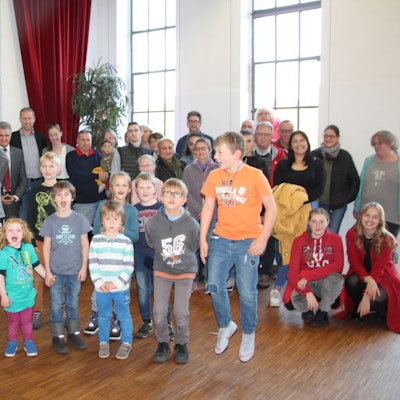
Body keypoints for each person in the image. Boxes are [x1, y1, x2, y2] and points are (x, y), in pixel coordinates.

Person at [200, 131, 277, 363]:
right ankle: (226, 325)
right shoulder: (214, 175)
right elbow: (208, 209)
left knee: (247, 292)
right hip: (221, 239)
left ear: (236, 154)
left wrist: (263, 238)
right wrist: (203, 239)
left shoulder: (255, 175)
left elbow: (271, 208)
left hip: (247, 241)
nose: (215, 156)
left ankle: (248, 332)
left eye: (219, 152)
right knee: (214, 285)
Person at [269, 130, 326, 307]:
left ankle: (304, 288)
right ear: (290, 145)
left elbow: (318, 189)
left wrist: (300, 201)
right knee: (285, 250)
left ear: (307, 143)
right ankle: (278, 288)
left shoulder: (317, 165)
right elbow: (277, 188)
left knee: (304, 251)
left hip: (308, 212)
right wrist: (290, 206)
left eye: (302, 140)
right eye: (295, 141)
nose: (299, 144)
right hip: (286, 214)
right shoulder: (283, 165)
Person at [147, 178, 200, 364]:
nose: (172, 197)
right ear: (161, 197)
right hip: (162, 271)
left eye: (177, 194)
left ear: (184, 199)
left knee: (181, 313)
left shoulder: (191, 224)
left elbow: (194, 245)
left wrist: (181, 261)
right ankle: (162, 341)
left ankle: (181, 343)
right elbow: (152, 242)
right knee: (159, 312)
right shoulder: (152, 222)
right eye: (168, 193)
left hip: (185, 272)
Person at [84, 171, 139, 339]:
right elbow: (95, 230)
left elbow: (135, 236)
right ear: (111, 188)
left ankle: (118, 320)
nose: (120, 188)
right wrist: (108, 231)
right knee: (98, 292)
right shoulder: (103, 205)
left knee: (121, 292)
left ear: (129, 189)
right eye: (117, 185)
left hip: (121, 261)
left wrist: (120, 230)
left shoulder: (132, 210)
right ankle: (96, 316)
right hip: (103, 259)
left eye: (124, 185)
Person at [41, 180, 92, 354]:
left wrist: (84, 267)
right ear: (54, 198)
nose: (63, 198)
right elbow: (46, 247)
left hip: (75, 270)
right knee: (56, 303)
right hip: (56, 271)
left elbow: (85, 245)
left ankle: (73, 333)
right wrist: (47, 272)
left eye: (66, 194)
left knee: (73, 301)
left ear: (72, 197)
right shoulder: (50, 221)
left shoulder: (80, 219)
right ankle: (57, 336)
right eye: (59, 195)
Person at [0, 218, 53, 357]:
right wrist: (3, 296)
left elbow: (37, 266)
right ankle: (12, 342)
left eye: (18, 230)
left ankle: (28, 341)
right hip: (12, 297)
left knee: (27, 321)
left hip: (28, 295)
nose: (14, 233)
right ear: (5, 234)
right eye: (10, 230)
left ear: (24, 233)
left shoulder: (29, 248)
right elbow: (0, 277)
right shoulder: (4, 253)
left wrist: (47, 276)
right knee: (12, 323)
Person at [283, 208, 344, 327]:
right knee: (293, 302)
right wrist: (308, 292)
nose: (318, 225)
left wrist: (309, 276)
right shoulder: (299, 241)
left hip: (325, 281)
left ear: (328, 222)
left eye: (322, 221)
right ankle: (312, 304)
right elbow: (291, 273)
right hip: (306, 283)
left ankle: (322, 311)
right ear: (308, 222)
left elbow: (338, 266)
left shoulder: (336, 239)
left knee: (337, 279)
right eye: (314, 221)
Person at [89, 201, 134, 359]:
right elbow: (93, 264)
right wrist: (100, 283)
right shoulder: (96, 240)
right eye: (108, 218)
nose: (111, 222)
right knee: (103, 315)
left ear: (122, 221)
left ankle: (126, 342)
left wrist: (115, 284)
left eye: (115, 218)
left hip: (120, 288)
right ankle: (103, 342)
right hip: (102, 289)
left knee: (123, 315)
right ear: (102, 220)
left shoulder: (126, 242)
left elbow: (128, 267)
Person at [345, 202, 400, 333]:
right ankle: (358, 307)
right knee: (351, 281)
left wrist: (366, 297)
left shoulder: (388, 239)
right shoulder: (351, 234)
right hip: (362, 273)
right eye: (367, 215)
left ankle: (381, 309)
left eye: (375, 217)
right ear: (361, 216)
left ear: (380, 220)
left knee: (377, 299)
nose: (370, 220)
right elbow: (354, 262)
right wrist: (368, 279)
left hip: (384, 275)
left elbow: (379, 269)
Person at [26, 152, 61, 329]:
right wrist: (32, 243)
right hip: (39, 240)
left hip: (60, 241)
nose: (48, 170)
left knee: (60, 276)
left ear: (58, 169)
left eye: (51, 166)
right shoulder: (34, 191)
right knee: (37, 277)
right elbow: (30, 218)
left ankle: (61, 309)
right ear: (40, 168)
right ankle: (37, 310)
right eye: (44, 166)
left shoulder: (63, 189)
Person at [183, 137, 218, 290]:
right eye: (198, 149)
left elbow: (219, 193)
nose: (201, 151)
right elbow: (186, 193)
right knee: (194, 248)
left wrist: (208, 211)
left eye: (204, 148)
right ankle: (194, 278)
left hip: (214, 216)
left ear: (210, 150)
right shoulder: (188, 169)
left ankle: (210, 279)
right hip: (194, 215)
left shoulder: (218, 169)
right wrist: (200, 210)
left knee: (211, 248)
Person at [311, 124, 360, 233]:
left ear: (338, 138)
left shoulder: (345, 156)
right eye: (326, 136)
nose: (328, 139)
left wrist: (346, 198)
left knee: (333, 234)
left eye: (332, 136)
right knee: (316, 232)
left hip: (338, 206)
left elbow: (354, 180)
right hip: (318, 203)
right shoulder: (314, 155)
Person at [354, 130, 400, 241]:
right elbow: (362, 185)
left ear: (390, 143)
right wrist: (357, 206)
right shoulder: (369, 161)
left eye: (380, 143)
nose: (376, 146)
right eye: (374, 144)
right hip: (367, 216)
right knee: (364, 246)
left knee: (386, 247)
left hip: (391, 216)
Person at [134, 172, 162, 338]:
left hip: (158, 255)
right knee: (143, 289)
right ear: (136, 190)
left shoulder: (161, 208)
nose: (144, 190)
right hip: (139, 253)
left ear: (154, 188)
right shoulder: (133, 210)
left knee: (161, 290)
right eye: (141, 187)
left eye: (148, 187)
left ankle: (165, 322)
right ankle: (146, 321)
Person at [10, 107, 47, 221]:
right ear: (20, 119)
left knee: (40, 218)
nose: (27, 121)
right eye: (24, 118)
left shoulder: (41, 137)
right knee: (23, 218)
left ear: (34, 119)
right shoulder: (12, 137)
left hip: (39, 183)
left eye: (29, 118)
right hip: (21, 185)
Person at [66, 130, 108, 226]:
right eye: (83, 140)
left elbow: (105, 171)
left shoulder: (97, 154)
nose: (86, 143)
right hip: (82, 202)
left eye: (88, 140)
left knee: (102, 229)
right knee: (82, 230)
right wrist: (96, 176)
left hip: (101, 200)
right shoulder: (71, 156)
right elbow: (76, 176)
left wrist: (105, 175)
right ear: (77, 141)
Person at [0, 121, 27, 219]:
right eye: (1, 135)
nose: (4, 138)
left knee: (11, 227)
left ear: (11, 136)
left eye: (7, 135)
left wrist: (15, 196)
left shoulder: (18, 153)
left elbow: (23, 178)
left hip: (13, 201)